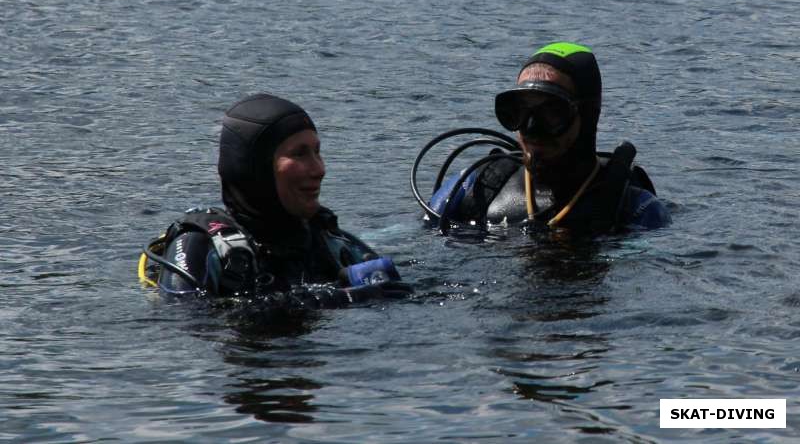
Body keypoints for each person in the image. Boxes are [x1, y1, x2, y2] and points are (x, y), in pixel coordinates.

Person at [140, 93, 411, 304]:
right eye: (300, 154)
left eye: (318, 152)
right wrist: (340, 299)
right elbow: (185, 322)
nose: (319, 169)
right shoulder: (200, 248)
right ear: (254, 168)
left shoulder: (328, 243)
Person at [427, 42, 671, 234]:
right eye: (520, 112)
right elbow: (407, 237)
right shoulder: (477, 186)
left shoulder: (635, 210)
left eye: (552, 114)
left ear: (587, 117)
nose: (531, 129)